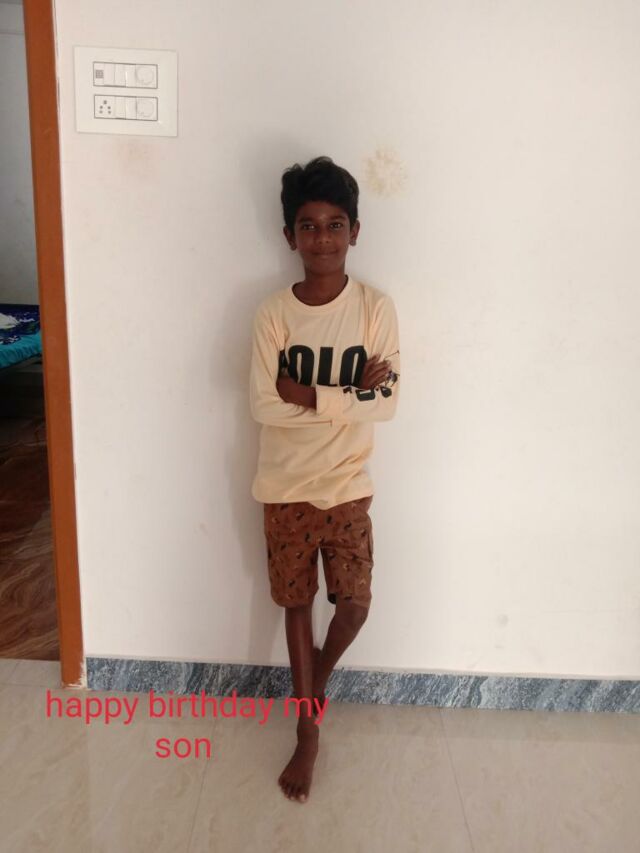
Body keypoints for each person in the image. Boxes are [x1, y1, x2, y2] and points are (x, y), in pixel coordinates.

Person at [249, 155, 401, 803]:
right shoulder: (273, 314)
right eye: (308, 226)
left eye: (335, 224)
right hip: (285, 486)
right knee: (296, 603)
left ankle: (312, 693)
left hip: (347, 485)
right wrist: (347, 395)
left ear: (354, 231)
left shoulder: (374, 308)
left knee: (355, 604)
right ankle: (307, 730)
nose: (322, 238)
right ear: (290, 236)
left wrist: (307, 394)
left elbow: (386, 403)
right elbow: (263, 404)